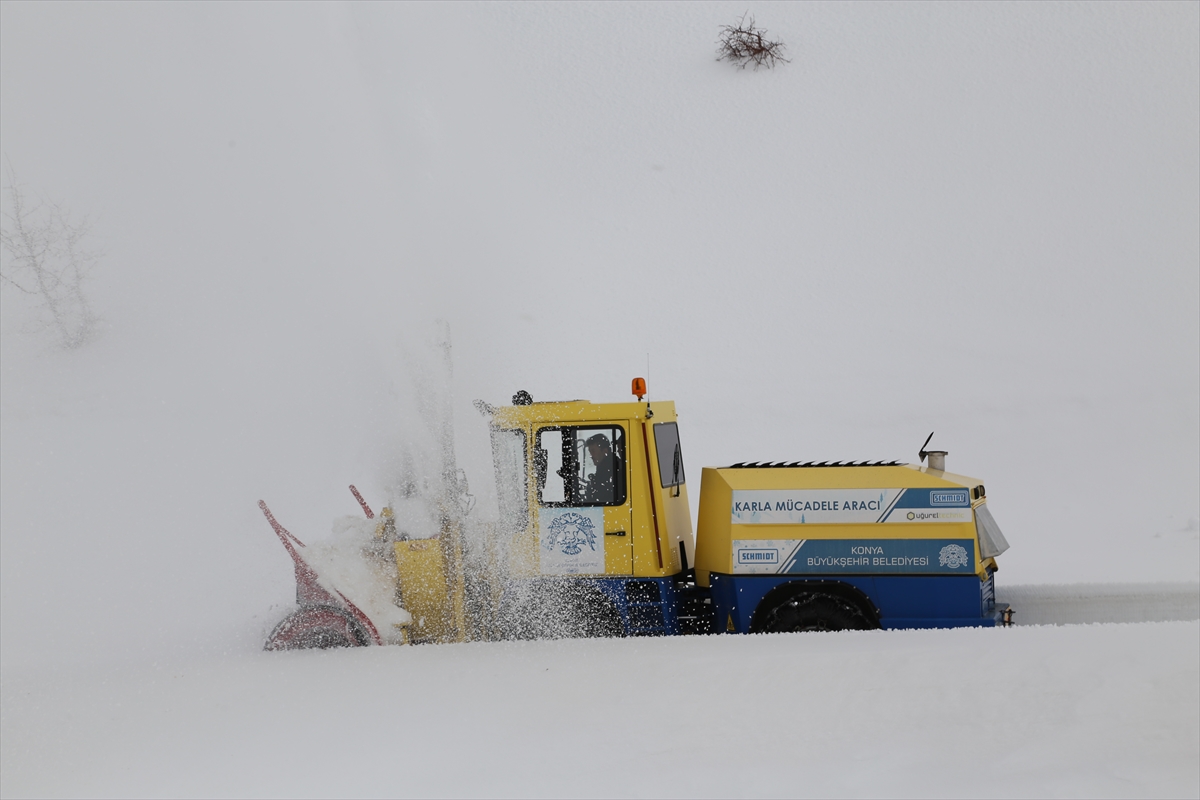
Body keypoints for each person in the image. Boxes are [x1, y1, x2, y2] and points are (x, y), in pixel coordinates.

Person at [579, 433, 616, 504]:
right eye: (590, 452)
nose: (591, 456)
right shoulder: (605, 467)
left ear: (605, 451)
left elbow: (599, 497)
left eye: (593, 451)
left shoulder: (609, 471)